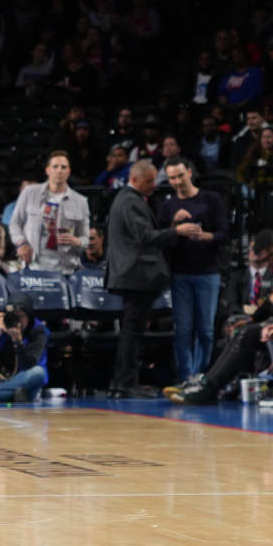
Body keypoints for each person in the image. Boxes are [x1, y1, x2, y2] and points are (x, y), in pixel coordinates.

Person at [104, 159, 191, 397]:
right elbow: (144, 236)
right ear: (134, 180)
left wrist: (171, 226)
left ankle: (125, 382)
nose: (155, 185)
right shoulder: (130, 201)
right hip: (136, 276)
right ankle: (125, 383)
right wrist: (177, 231)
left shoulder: (127, 199)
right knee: (132, 333)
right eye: (149, 181)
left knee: (132, 331)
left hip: (133, 276)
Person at [155, 157, 227, 384]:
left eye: (180, 175)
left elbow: (225, 234)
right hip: (180, 273)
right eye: (172, 178)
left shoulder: (211, 199)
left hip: (208, 272)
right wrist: (173, 227)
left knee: (205, 329)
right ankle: (186, 376)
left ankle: (200, 374)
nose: (176, 181)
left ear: (189, 171)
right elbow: (160, 240)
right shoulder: (167, 206)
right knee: (183, 329)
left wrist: (205, 236)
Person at [7, 150, 89, 275]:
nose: (59, 170)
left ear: (69, 171)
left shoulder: (81, 201)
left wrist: (75, 241)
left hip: (66, 270)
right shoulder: (29, 193)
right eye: (55, 166)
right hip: (33, 266)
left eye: (63, 167)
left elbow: (85, 239)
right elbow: (15, 223)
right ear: (47, 170)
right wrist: (21, 243)